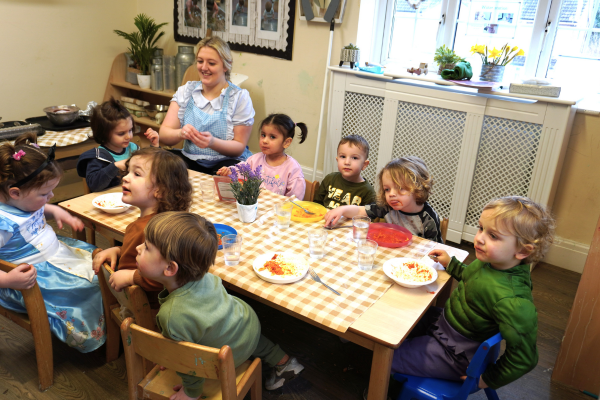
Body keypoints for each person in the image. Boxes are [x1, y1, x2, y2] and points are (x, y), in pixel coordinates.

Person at [391, 196, 554, 392]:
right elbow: (471, 278)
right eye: (480, 228)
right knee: (399, 321)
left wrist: (487, 379)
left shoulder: (513, 301)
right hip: (446, 324)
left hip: (455, 354)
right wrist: (451, 264)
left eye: (493, 236)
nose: (479, 238)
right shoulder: (492, 262)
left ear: (523, 251)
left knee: (387, 356)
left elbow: (525, 358)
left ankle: (382, 388)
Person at [136, 211, 304, 398]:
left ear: (170, 268)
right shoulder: (205, 275)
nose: (137, 248)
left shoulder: (170, 316)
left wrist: (191, 392)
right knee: (238, 330)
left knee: (202, 346)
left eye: (146, 247)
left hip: (230, 358)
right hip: (248, 324)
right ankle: (283, 361)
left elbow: (188, 362)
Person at [0, 133, 105, 353]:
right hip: (30, 279)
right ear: (15, 192)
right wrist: (9, 279)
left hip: (56, 255)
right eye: (45, 194)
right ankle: (94, 332)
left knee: (103, 266)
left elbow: (34, 211)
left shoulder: (23, 201)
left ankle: (110, 322)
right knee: (90, 286)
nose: (51, 195)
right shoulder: (3, 224)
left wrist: (55, 210)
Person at [92, 147, 192, 309]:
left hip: (148, 310)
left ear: (160, 190)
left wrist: (132, 276)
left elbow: (170, 276)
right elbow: (143, 255)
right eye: (127, 171)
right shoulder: (156, 223)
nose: (125, 178)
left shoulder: (152, 231)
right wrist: (119, 250)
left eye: (136, 174)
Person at [159, 36, 255, 176]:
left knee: (226, 176)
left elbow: (239, 147)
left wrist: (212, 142)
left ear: (226, 65)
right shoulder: (186, 92)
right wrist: (181, 133)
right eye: (200, 61)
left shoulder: (239, 98)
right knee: (159, 162)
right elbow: (164, 134)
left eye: (211, 63)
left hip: (226, 162)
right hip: (190, 158)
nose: (204, 68)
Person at [324, 156, 443, 243]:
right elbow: (360, 211)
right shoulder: (387, 207)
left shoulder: (428, 219)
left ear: (418, 188)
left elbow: (436, 251)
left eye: (400, 188)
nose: (391, 194)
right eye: (387, 189)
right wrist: (342, 210)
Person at [76, 98, 159, 192]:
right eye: (121, 133)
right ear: (104, 134)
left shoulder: (133, 148)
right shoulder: (98, 157)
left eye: (130, 130)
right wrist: (115, 166)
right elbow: (94, 185)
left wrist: (154, 146)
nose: (128, 136)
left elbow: (149, 168)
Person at [216, 113, 307, 198]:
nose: (265, 141)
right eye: (263, 135)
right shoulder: (254, 160)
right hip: (253, 209)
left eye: (272, 137)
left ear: (286, 142)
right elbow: (240, 172)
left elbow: (294, 201)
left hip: (277, 213)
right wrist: (229, 171)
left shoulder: (293, 169)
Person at [314, 135, 376, 209]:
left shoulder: (368, 191)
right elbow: (316, 204)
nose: (347, 162)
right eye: (343, 156)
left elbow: (368, 217)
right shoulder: (329, 179)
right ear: (337, 160)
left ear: (364, 164)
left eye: (354, 158)